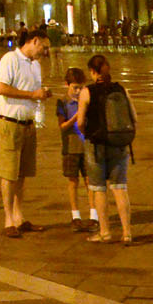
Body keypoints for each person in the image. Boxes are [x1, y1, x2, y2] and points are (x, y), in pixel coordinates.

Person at [0, 28, 53, 238]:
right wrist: (32, 94)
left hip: (28, 123)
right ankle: (8, 219)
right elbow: (1, 88)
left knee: (22, 174)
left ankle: (19, 217)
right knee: (9, 174)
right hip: (10, 123)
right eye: (43, 47)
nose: (44, 52)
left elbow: (34, 93)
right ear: (33, 41)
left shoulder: (35, 65)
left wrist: (42, 95)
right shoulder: (10, 59)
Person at [77, 53, 136, 244]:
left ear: (93, 72)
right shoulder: (121, 89)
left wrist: (88, 132)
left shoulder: (87, 91)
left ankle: (105, 232)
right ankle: (127, 233)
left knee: (99, 190)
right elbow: (134, 118)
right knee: (120, 188)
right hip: (119, 144)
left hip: (96, 145)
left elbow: (79, 122)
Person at [56, 67, 97, 232]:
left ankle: (94, 216)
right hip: (70, 147)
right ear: (67, 85)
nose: (78, 91)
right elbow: (62, 126)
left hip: (87, 147)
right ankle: (75, 215)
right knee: (73, 181)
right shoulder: (62, 102)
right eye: (75, 87)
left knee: (90, 181)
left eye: (81, 87)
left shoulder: (87, 100)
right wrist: (76, 116)